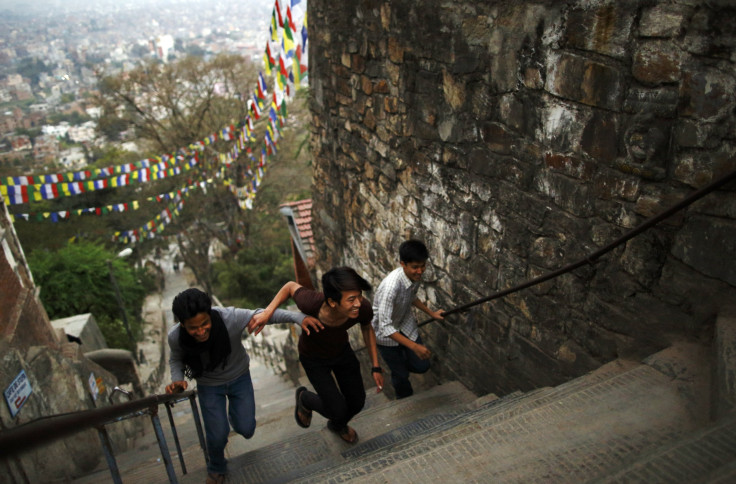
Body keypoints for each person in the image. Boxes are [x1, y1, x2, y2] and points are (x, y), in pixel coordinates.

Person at [166, 288, 314, 484]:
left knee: (247, 428)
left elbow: (264, 315)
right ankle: (216, 468)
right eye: (193, 328)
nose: (201, 331)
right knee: (217, 434)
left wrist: (298, 318)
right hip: (208, 385)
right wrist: (177, 379)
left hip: (239, 378)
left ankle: (233, 417)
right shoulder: (175, 337)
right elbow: (176, 359)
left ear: (210, 315)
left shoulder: (229, 318)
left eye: (205, 324)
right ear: (182, 324)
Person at [248, 267, 384, 444]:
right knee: (337, 409)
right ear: (332, 302)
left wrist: (375, 366)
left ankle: (337, 425)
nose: (358, 303)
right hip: (314, 359)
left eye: (359, 296)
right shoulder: (311, 303)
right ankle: (305, 399)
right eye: (351, 299)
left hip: (342, 353)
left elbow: (367, 328)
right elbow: (289, 287)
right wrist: (267, 312)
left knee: (357, 402)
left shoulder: (362, 308)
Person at [371, 239, 444, 399]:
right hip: (386, 337)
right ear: (403, 264)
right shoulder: (391, 287)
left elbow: (412, 297)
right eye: (415, 267)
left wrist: (431, 313)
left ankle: (400, 362)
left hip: (405, 325)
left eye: (422, 266)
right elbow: (385, 327)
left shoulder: (414, 278)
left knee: (422, 365)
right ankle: (405, 399)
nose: (420, 271)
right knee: (401, 377)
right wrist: (414, 347)